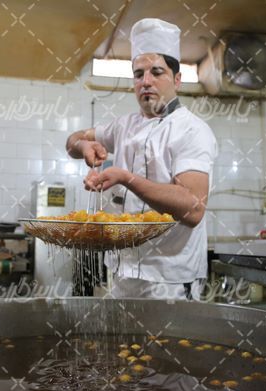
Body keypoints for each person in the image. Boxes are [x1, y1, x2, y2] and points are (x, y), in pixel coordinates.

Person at [65, 18, 218, 300]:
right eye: (138, 74)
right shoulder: (124, 126)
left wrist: (126, 178)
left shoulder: (192, 130)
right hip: (123, 271)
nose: (146, 81)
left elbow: (193, 209)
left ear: (177, 79)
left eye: (157, 72)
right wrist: (84, 145)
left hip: (170, 278)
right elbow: (72, 141)